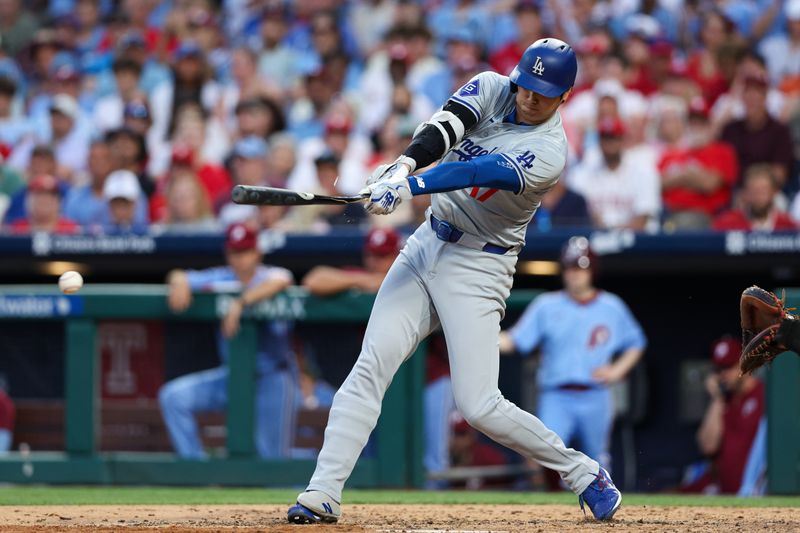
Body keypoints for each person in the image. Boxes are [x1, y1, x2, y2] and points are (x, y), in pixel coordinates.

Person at [288, 38, 622, 525]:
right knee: (370, 366)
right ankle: (323, 492)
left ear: (565, 96)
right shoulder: (491, 85)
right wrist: (403, 164)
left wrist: (411, 186)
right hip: (426, 243)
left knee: (479, 405)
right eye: (527, 85)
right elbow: (446, 127)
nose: (530, 97)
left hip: (479, 266)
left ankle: (583, 472)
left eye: (543, 92)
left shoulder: (550, 152)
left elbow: (477, 170)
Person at [498, 238, 646, 471]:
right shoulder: (547, 305)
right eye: (569, 267)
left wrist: (617, 371)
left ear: (591, 271)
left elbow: (636, 342)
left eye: (580, 267)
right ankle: (546, 508)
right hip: (556, 395)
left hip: (596, 394)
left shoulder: (611, 306)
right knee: (543, 455)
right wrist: (483, 337)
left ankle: (602, 506)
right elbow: (515, 341)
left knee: (598, 461)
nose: (574, 274)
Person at [159, 223, 297, 459]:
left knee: (272, 460)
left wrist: (241, 302)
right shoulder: (222, 276)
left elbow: (284, 278)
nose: (239, 259)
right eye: (234, 252)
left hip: (272, 378)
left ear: (257, 253)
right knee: (173, 397)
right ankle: (197, 472)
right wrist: (179, 282)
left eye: (245, 252)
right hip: (232, 377)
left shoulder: (268, 276)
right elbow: (180, 274)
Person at [682, 336, 764, 495]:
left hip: (753, 492)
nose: (723, 374)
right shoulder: (723, 401)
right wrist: (717, 399)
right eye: (719, 369)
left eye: (729, 367)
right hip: (723, 491)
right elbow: (708, 446)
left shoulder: (763, 395)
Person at [712, 164, 795, 232]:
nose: (758, 197)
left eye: (763, 191)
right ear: (745, 193)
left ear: (773, 193)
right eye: (753, 191)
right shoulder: (725, 224)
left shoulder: (788, 226)